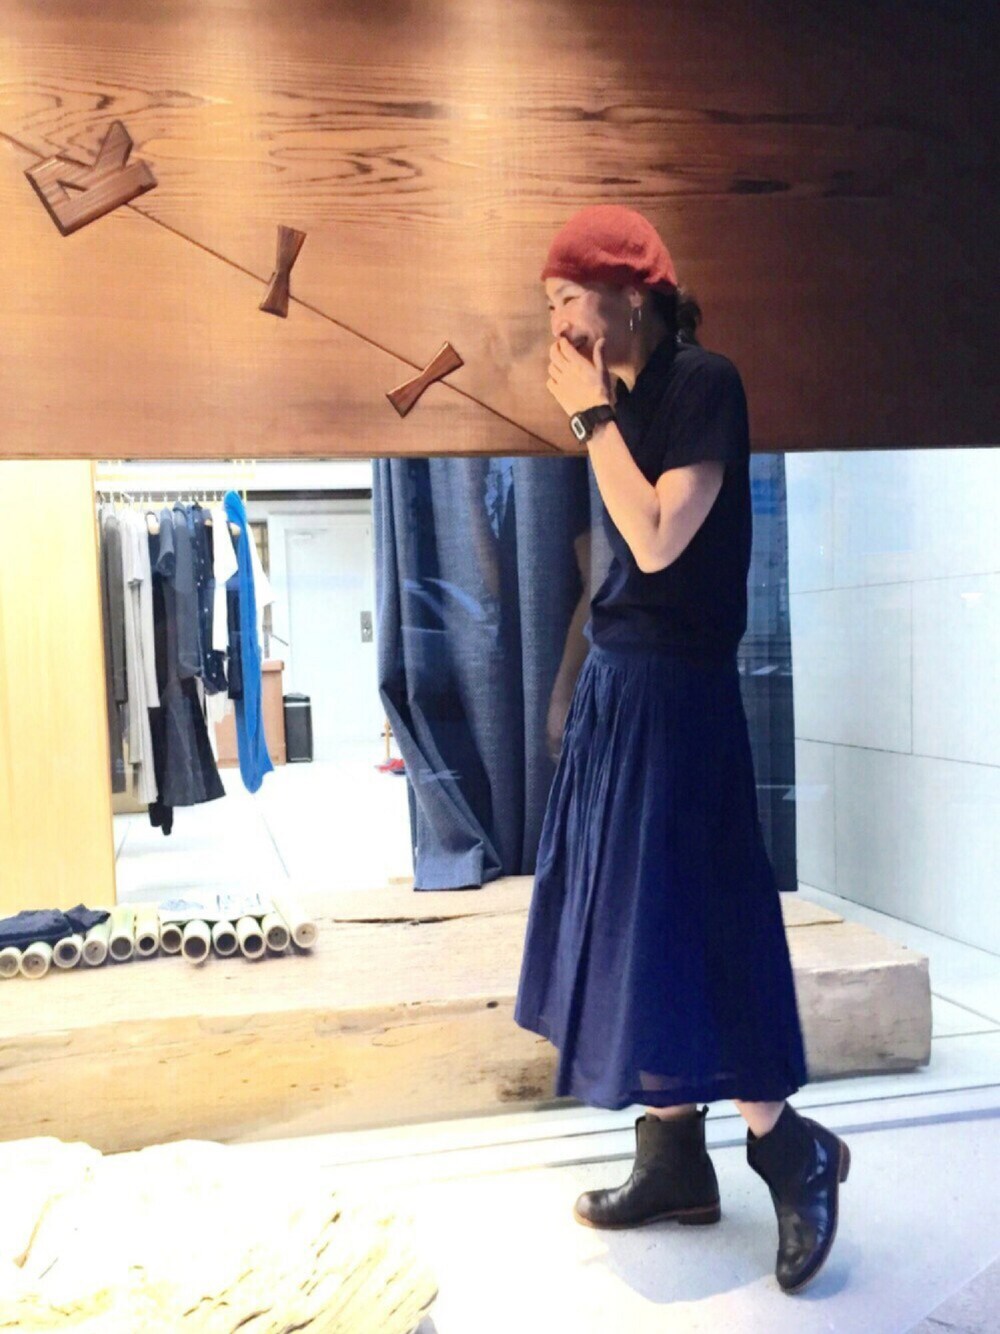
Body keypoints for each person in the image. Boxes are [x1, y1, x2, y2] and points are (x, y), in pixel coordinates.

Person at [513, 205, 850, 1296]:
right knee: (633, 922)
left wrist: (587, 420)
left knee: (701, 918)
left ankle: (790, 1149)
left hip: (680, 694)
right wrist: (572, 688)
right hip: (623, 688)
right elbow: (615, 569)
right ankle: (672, 1162)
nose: (558, 322)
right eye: (551, 303)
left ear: (631, 295)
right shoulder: (618, 402)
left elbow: (658, 539)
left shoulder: (704, 382)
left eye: (568, 298)